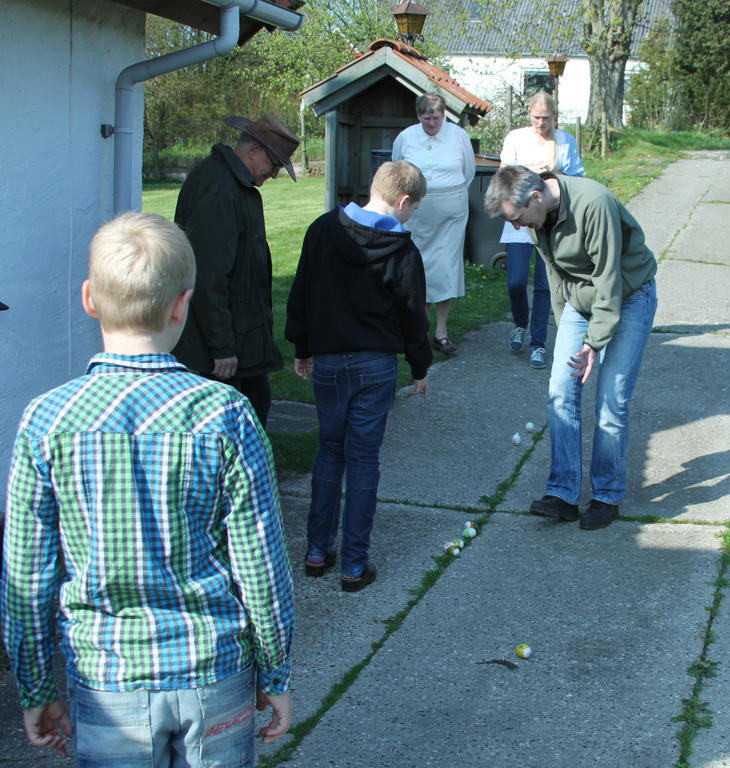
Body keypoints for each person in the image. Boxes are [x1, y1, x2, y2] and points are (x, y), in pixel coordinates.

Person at [1, 212, 294, 765]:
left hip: (107, 677)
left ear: (90, 299)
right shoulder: (224, 413)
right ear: (183, 304)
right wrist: (276, 671)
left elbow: (26, 577)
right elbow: (262, 567)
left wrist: (36, 686)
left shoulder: (46, 420)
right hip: (214, 671)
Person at [285, 161, 433, 592]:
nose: (411, 218)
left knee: (330, 451)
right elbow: (413, 316)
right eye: (414, 209)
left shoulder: (323, 230)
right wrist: (420, 368)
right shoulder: (403, 251)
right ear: (403, 201)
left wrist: (303, 346)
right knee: (364, 458)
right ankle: (354, 564)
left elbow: (302, 291)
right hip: (375, 366)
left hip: (328, 362)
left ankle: (316, 551)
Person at [484, 166, 658, 530]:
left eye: (516, 219)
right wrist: (568, 331)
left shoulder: (593, 204)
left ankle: (606, 495)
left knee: (612, 399)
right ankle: (563, 493)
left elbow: (609, 281)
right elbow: (554, 276)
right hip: (580, 302)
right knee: (560, 392)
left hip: (628, 296)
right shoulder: (537, 220)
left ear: (535, 197)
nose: (517, 227)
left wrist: (594, 343)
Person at [172, 114, 300, 426]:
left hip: (243, 338)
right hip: (222, 351)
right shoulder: (218, 187)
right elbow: (208, 274)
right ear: (254, 151)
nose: (274, 174)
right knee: (231, 433)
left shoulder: (233, 184)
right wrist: (222, 347)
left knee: (254, 418)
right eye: (274, 164)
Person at [498, 91, 585, 370]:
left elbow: (578, 178)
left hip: (550, 218)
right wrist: (527, 170)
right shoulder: (515, 139)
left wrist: (552, 176)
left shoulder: (565, 141)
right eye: (537, 117)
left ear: (554, 116)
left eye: (546, 118)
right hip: (520, 217)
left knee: (545, 283)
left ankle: (538, 343)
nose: (541, 123)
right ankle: (520, 323)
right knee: (516, 279)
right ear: (530, 115)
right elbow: (503, 175)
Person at [391, 93, 475, 355]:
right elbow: (396, 170)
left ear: (444, 114)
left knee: (446, 267)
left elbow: (469, 171)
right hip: (416, 212)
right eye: (426, 117)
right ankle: (417, 327)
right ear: (418, 116)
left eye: (436, 117)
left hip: (451, 212)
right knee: (418, 266)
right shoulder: (406, 137)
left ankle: (441, 331)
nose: (431, 122)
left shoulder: (458, 135)